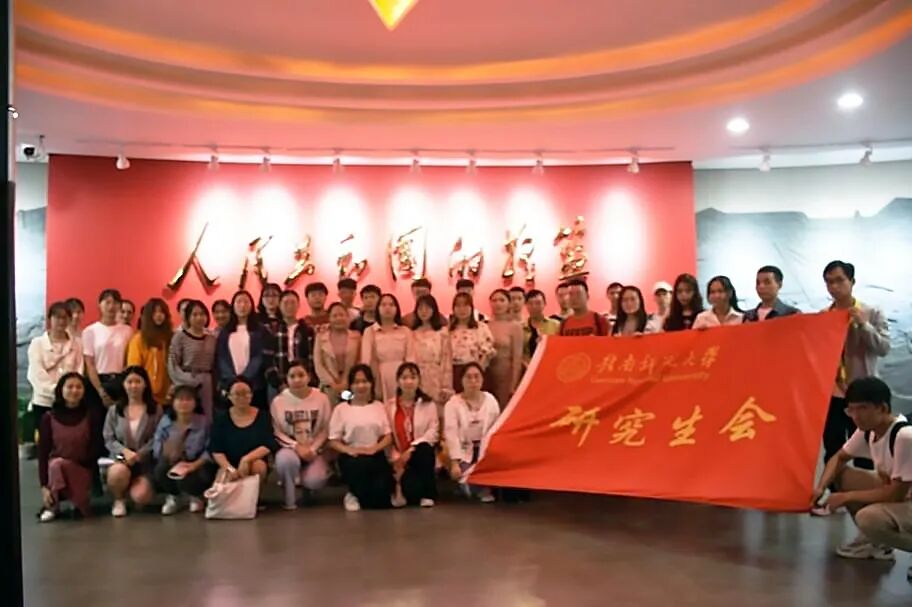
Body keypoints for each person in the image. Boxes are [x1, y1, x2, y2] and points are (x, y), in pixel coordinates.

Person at [811, 377, 911, 580]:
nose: (856, 416)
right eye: (851, 410)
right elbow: (839, 458)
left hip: (903, 495)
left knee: (869, 519)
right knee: (842, 475)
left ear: (882, 408)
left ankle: (880, 537)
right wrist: (821, 487)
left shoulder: (904, 437)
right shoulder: (868, 432)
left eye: (863, 409)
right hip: (903, 493)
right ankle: (875, 544)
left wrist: (845, 497)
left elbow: (895, 494)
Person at [821, 260, 890, 471]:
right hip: (833, 392)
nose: (834, 287)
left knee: (866, 448)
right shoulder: (824, 316)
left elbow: (883, 348)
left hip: (863, 391)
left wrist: (863, 324)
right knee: (832, 445)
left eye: (839, 280)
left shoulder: (871, 312)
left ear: (852, 281)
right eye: (829, 282)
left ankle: (867, 488)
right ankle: (833, 488)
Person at [37, 373, 104, 522]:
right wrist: (44, 486)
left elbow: (96, 448)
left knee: (58, 464)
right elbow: (43, 453)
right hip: (55, 471)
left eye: (79, 387)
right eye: (70, 387)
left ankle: (58, 504)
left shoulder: (92, 415)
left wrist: (70, 464)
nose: (74, 390)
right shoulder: (48, 418)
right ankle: (53, 505)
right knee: (56, 465)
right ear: (61, 390)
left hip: (82, 470)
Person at [328, 365, 394, 511]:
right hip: (352, 456)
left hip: (374, 453)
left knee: (382, 498)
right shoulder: (341, 409)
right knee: (362, 478)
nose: (361, 386)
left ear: (371, 383)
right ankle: (352, 494)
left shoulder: (379, 406)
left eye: (365, 381)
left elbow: (388, 436)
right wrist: (349, 450)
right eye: (356, 382)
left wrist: (375, 448)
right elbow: (333, 441)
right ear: (350, 385)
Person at [271, 361, 332, 510]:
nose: (297, 380)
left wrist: (313, 448)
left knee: (315, 480)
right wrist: (296, 446)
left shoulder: (322, 398)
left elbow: (326, 427)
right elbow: (277, 431)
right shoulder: (278, 401)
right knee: (285, 461)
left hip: (315, 450)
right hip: (290, 450)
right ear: (286, 379)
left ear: (309, 377)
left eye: (301, 375)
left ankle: (308, 489)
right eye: (292, 376)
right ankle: (289, 498)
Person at [103, 366, 161, 517]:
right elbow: (109, 438)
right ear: (123, 384)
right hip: (120, 458)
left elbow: (157, 437)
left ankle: (134, 489)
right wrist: (125, 452)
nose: (134, 386)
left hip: (145, 461)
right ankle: (119, 499)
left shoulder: (155, 410)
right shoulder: (114, 410)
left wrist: (139, 454)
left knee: (141, 497)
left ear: (145, 384)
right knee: (117, 472)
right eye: (129, 382)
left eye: (138, 382)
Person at [152, 385, 214, 516]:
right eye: (180, 399)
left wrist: (194, 464)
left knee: (200, 473)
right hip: (172, 460)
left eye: (188, 399)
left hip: (195, 462)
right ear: (173, 402)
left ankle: (195, 496)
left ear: (195, 402)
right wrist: (167, 451)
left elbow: (210, 448)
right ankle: (174, 496)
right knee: (160, 469)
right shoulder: (166, 421)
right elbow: (156, 445)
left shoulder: (204, 422)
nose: (184, 403)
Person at [444, 363, 500, 503]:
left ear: (482, 379)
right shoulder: (452, 404)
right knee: (469, 480)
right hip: (464, 452)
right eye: (468, 377)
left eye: (476, 377)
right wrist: (454, 463)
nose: (473, 381)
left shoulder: (491, 400)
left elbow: (497, 428)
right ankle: (469, 485)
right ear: (462, 380)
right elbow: (451, 435)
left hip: (486, 450)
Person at [387, 363, 439, 508]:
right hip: (398, 456)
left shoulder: (428, 404)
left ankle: (428, 494)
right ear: (398, 381)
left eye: (413, 377)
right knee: (410, 491)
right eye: (404, 378)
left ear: (419, 380)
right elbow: (388, 434)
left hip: (419, 455)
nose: (409, 381)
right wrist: (397, 457)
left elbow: (433, 432)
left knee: (424, 449)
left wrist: (411, 449)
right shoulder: (390, 406)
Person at [210, 378, 275, 492]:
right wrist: (230, 468)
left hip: (254, 461)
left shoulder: (263, 416)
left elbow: (268, 443)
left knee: (258, 466)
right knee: (223, 483)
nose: (242, 397)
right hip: (228, 463)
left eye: (245, 393)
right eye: (237, 394)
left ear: (251, 395)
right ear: (229, 396)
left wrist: (246, 459)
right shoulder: (221, 418)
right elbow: (216, 449)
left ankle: (253, 498)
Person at [27, 302, 84, 431]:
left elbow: (79, 371)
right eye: (57, 317)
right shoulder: (37, 344)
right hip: (44, 401)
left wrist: (70, 393)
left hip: (69, 403)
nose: (61, 321)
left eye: (65, 317)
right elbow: (37, 373)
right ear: (50, 319)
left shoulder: (77, 344)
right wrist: (58, 392)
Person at [215, 290, 269, 408]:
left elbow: (258, 356)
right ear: (233, 306)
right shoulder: (225, 331)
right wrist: (233, 379)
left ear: (251, 305)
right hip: (231, 385)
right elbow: (221, 357)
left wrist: (245, 378)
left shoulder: (260, 330)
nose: (242, 305)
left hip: (255, 384)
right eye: (239, 302)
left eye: (246, 302)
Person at [168, 300, 217, 423]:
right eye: (195, 314)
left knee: (207, 416)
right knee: (187, 416)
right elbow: (173, 364)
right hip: (186, 381)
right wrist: (188, 379)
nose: (199, 318)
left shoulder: (212, 338)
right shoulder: (179, 337)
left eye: (202, 314)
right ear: (188, 317)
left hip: (207, 381)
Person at [83, 289, 134, 408]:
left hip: (120, 382)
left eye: (115, 303)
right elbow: (90, 364)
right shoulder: (90, 331)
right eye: (107, 302)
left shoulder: (127, 331)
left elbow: (128, 360)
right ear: (99, 305)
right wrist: (100, 391)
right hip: (97, 382)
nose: (111, 307)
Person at [361, 293, 415, 402]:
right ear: (378, 308)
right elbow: (366, 360)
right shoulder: (370, 331)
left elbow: (411, 358)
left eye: (391, 304)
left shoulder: (405, 331)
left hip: (402, 375)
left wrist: (410, 378)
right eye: (383, 305)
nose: (387, 308)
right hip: (380, 375)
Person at [265, 290, 316, 394]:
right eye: (286, 303)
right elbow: (267, 359)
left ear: (298, 305)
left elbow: (311, 357)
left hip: (304, 382)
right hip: (278, 382)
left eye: (293, 302)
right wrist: (278, 383)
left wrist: (309, 379)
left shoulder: (307, 329)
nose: (289, 306)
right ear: (279, 305)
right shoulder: (271, 330)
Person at [127, 298, 173, 406]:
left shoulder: (171, 338)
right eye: (155, 312)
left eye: (162, 312)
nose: (159, 315)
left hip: (168, 395)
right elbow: (134, 369)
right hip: (145, 395)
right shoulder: (138, 339)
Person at [409, 294, 453, 408]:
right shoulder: (411, 333)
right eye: (420, 308)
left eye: (427, 308)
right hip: (417, 378)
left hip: (436, 377)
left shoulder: (442, 333)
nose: (424, 311)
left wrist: (446, 386)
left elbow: (446, 360)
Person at [315, 303, 361, 405]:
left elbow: (359, 361)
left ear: (348, 317)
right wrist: (332, 383)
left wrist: (346, 382)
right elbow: (318, 364)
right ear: (329, 319)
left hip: (351, 387)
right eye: (335, 316)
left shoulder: (357, 337)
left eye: (341, 315)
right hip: (328, 388)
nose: (339, 318)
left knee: (351, 411)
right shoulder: (320, 337)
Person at [485, 290, 523, 410]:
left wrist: (514, 384)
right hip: (486, 375)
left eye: (502, 300)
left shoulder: (515, 327)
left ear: (508, 303)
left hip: (506, 376)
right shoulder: (484, 325)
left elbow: (517, 358)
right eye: (494, 300)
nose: (498, 303)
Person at [449, 292, 495, 391]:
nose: (462, 309)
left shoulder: (481, 327)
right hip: (454, 374)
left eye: (465, 305)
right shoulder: (448, 330)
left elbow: (488, 351)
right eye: (458, 306)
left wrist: (477, 371)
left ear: (472, 308)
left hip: (477, 372)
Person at [523, 290, 560, 366]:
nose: (534, 306)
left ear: (544, 304)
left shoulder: (556, 325)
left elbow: (560, 348)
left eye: (538, 303)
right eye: (530, 303)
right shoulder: (521, 328)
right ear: (526, 305)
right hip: (527, 368)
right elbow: (519, 353)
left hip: (550, 365)